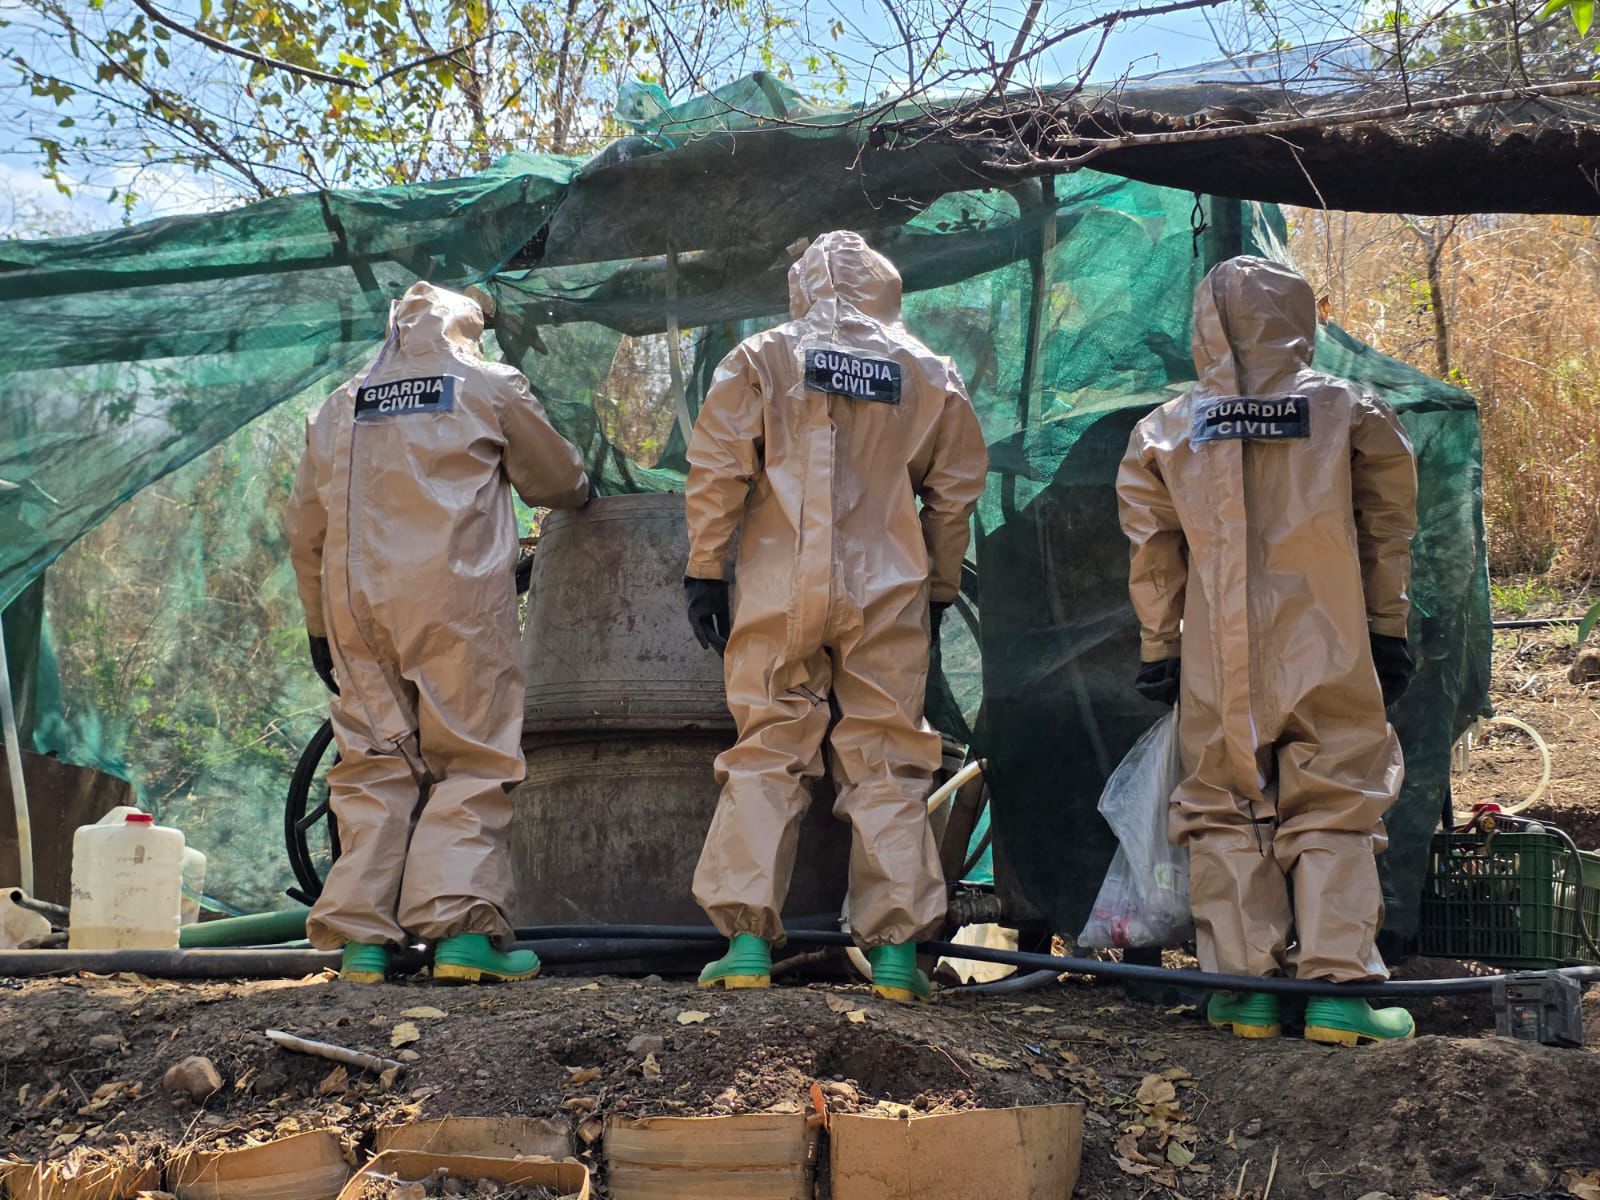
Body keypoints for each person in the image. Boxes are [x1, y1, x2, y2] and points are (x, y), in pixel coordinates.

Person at [1116, 255, 1419, 1044]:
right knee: (1337, 796)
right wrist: (1386, 629)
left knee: (1222, 800)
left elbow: (1153, 552)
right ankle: (1337, 994)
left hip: (1215, 650)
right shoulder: (1352, 411)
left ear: (1203, 328)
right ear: (1299, 320)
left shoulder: (1166, 429)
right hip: (1331, 637)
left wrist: (1161, 647)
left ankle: (1243, 988)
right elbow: (1389, 532)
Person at [682, 230, 988, 1004]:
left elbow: (719, 471)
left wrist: (705, 569)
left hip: (779, 588)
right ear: (886, 288)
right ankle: (894, 959)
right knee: (887, 756)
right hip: (889, 586)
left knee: (767, 746)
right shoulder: (929, 371)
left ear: (801, 288)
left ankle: (747, 946)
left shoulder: (761, 357)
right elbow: (951, 495)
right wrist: (942, 588)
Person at [284, 281, 592, 984]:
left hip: (353, 609)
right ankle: (460, 935)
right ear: (465, 327)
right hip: (453, 602)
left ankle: (359, 942)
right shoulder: (487, 383)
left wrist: (317, 625)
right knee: (472, 755)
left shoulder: (341, 404)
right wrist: (583, 493)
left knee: (372, 763)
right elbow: (557, 479)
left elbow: (306, 529)